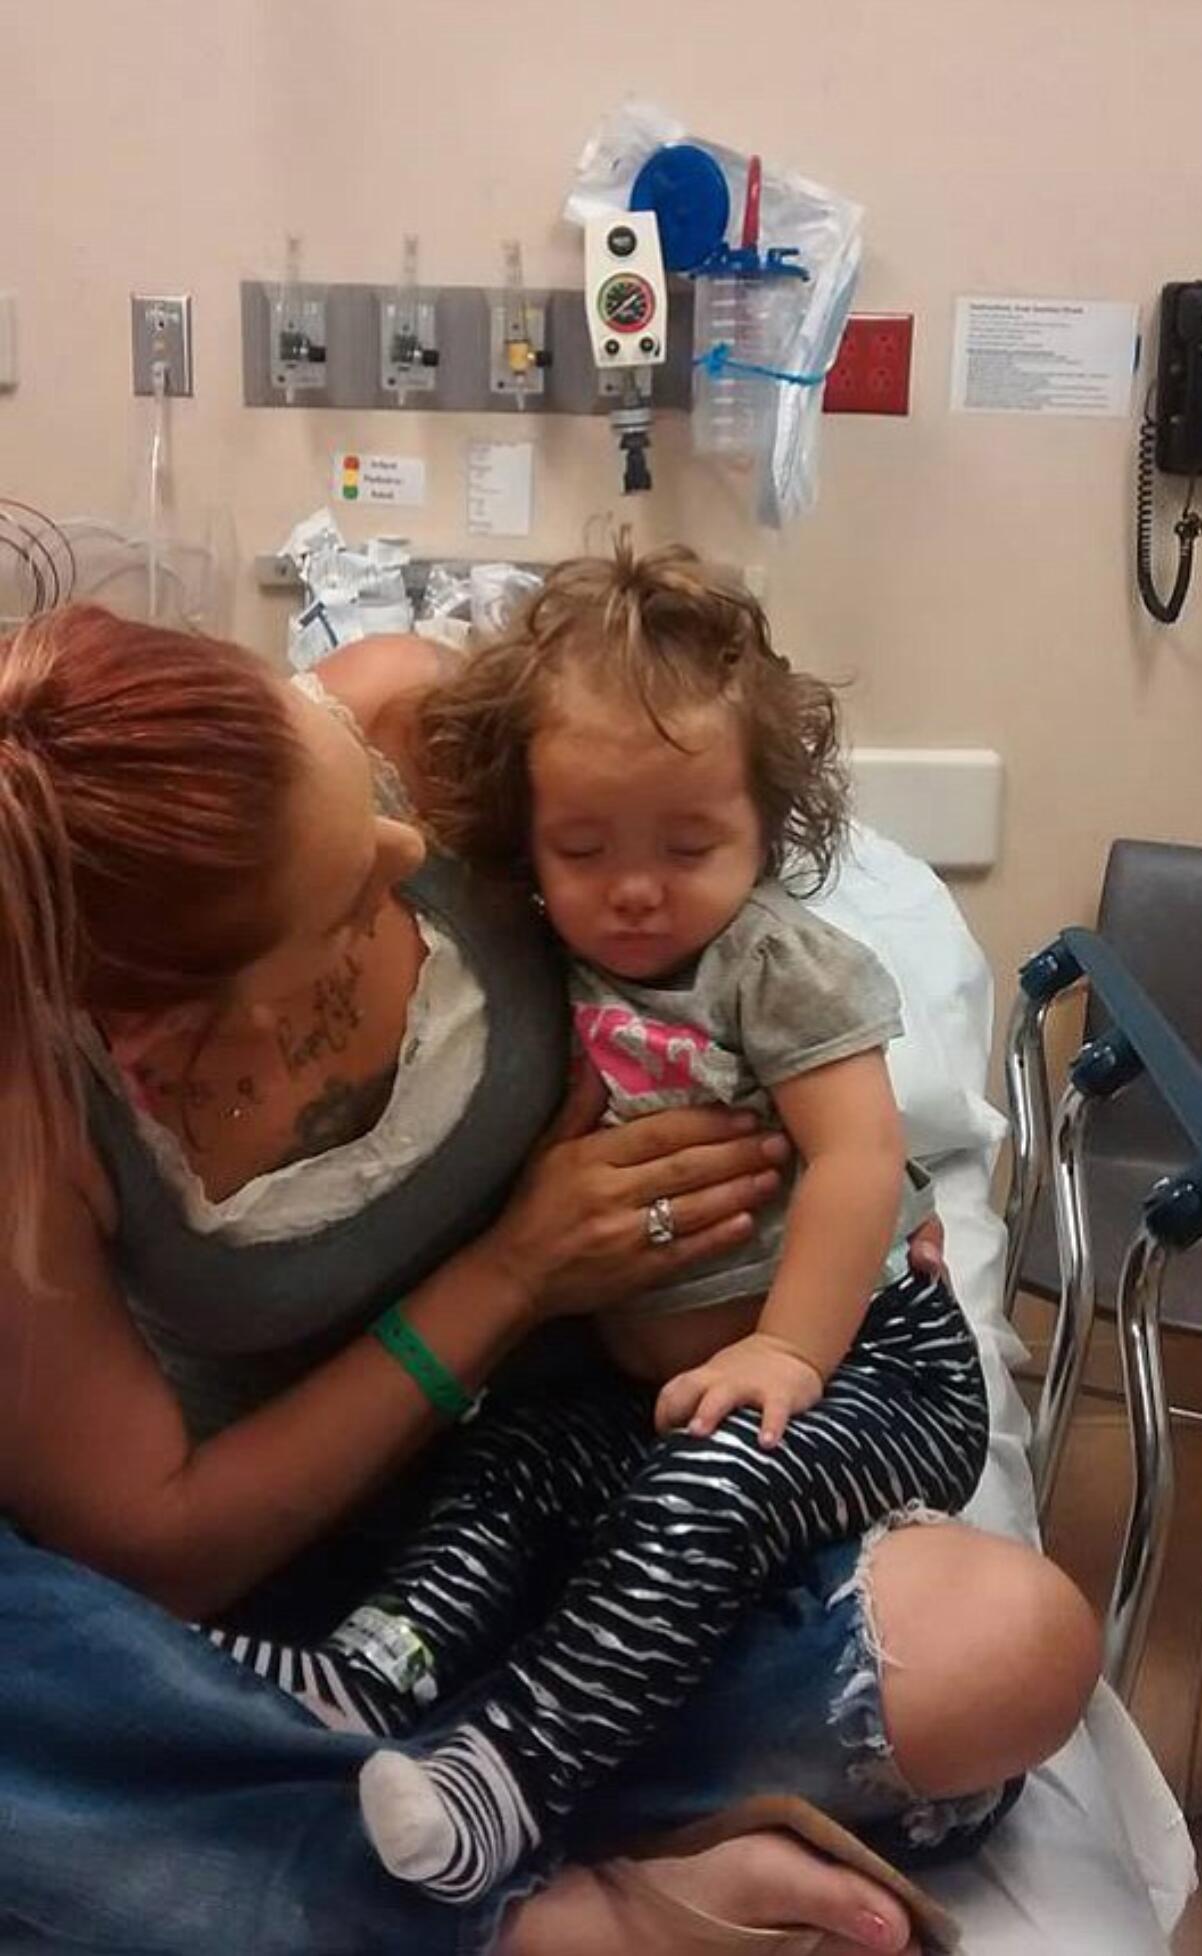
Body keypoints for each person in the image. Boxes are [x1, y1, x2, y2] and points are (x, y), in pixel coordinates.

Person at [0, 599, 1099, 1956]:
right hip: (297, 1576)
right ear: (157, 1014)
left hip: (602, 1469)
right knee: (49, 1663)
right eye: (351, 897)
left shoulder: (411, 719)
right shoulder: (39, 1111)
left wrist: (857, 1197)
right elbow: (156, 1552)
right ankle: (539, 1895)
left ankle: (341, 1794)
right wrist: (513, 1273)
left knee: (1003, 1652)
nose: (410, 847)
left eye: (360, 794)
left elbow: (709, 917)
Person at [208, 542, 990, 1906]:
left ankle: (506, 1780)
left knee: (712, 1477)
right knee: (502, 1472)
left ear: (766, 826)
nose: (634, 890)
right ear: (529, 838)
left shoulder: (777, 967)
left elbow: (860, 1165)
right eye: (583, 850)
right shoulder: (532, 959)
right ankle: (357, 1676)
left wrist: (789, 1359)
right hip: (632, 1376)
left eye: (688, 848)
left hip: (865, 1369)